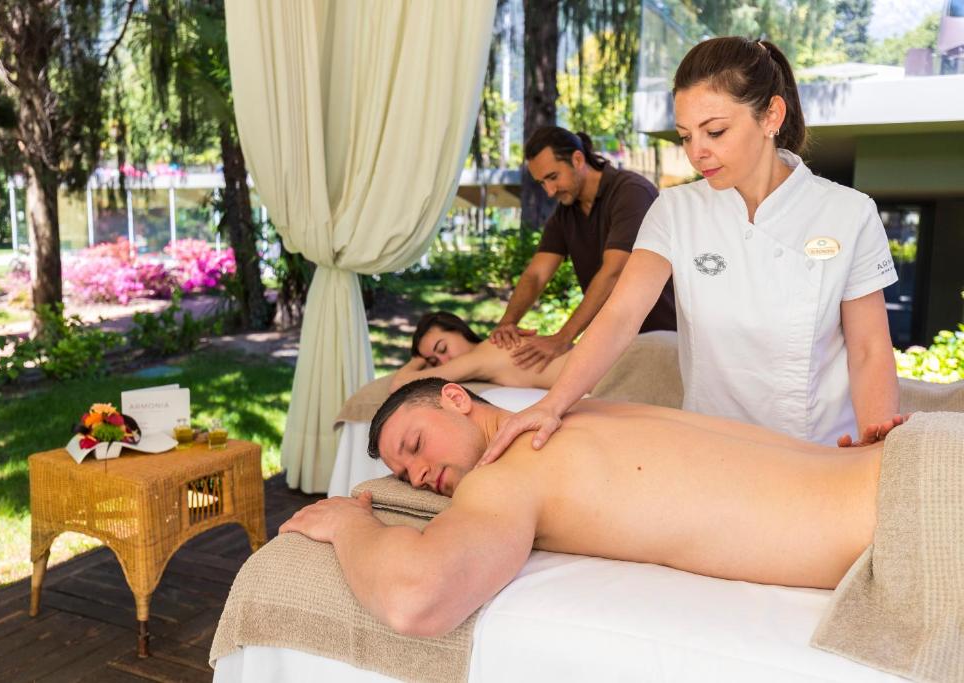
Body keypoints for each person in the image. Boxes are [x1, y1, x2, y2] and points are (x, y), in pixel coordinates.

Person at [480, 37, 906, 464]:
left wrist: (875, 453)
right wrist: (552, 404)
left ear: (771, 116)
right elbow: (621, 315)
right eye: (685, 136)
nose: (697, 153)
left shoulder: (848, 212)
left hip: (819, 454)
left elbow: (869, 349)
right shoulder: (675, 210)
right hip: (708, 453)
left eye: (715, 131)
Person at [279, 378, 888, 638]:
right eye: (404, 475)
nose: (418, 476)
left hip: (904, 517)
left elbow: (416, 600)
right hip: (896, 462)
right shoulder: (582, 407)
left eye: (415, 445)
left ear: (456, 399)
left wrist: (349, 523)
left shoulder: (506, 474)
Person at [489, 127, 676, 373]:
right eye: (542, 182)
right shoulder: (565, 214)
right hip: (618, 346)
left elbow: (614, 272)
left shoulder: (631, 192)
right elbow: (536, 275)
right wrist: (507, 322)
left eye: (553, 177)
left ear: (578, 160)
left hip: (667, 340)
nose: (549, 191)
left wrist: (562, 338)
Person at [390, 311, 568, 391]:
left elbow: (398, 383)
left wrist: (417, 360)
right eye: (434, 362)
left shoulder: (480, 357)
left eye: (442, 348)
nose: (444, 362)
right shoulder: (493, 346)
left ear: (458, 330)